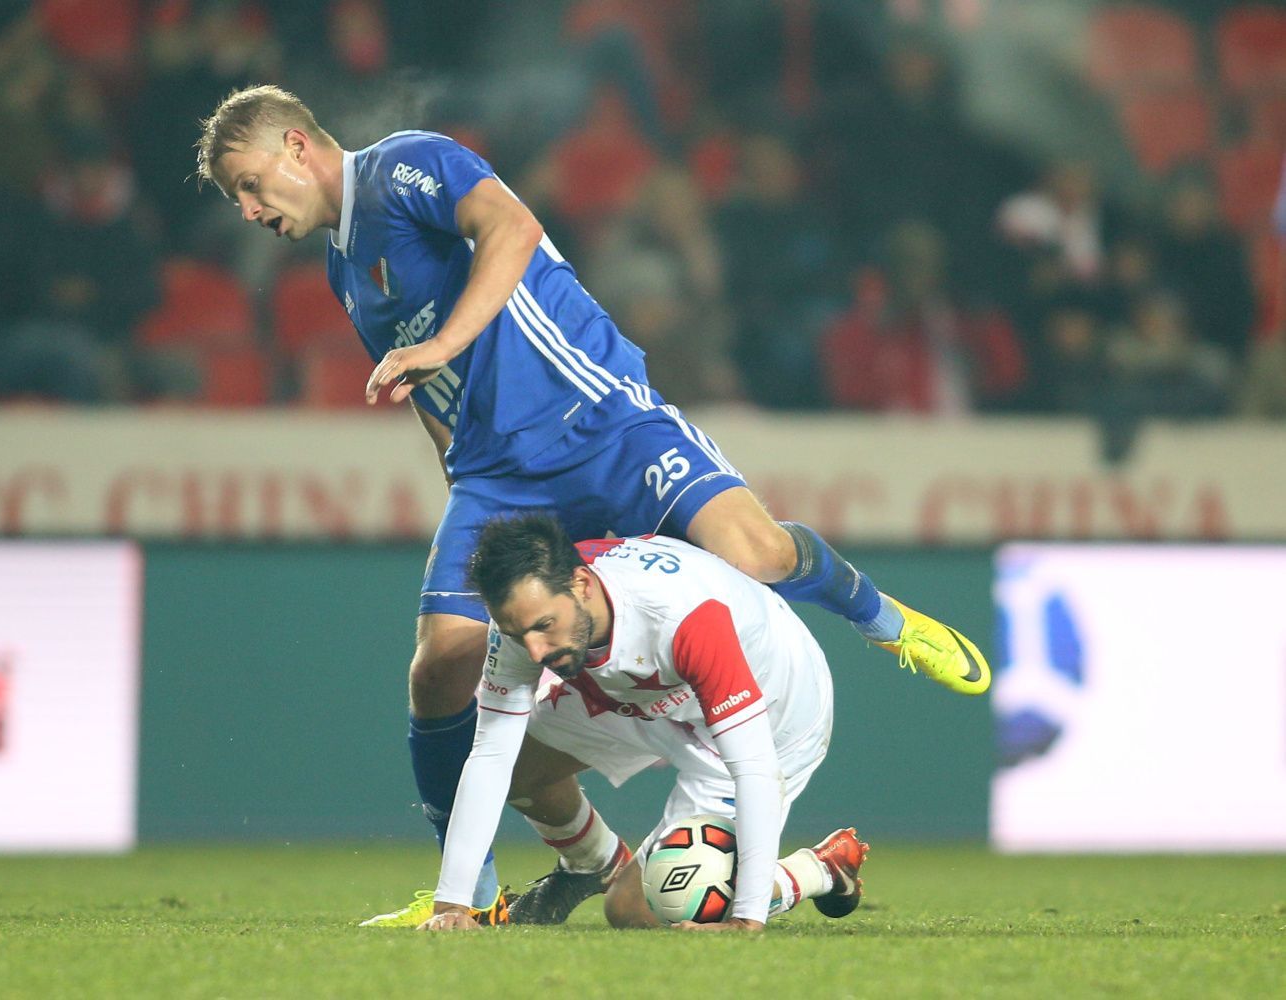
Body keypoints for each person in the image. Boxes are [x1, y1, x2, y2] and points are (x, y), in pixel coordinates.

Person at [194, 85, 984, 926]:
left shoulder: (403, 166)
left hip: (602, 418)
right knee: (442, 664)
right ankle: (484, 889)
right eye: (235, 198)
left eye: (247, 184)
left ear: (294, 146)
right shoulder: (343, 268)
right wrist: (459, 469)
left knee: (751, 555)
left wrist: (444, 341)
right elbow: (425, 384)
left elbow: (512, 229)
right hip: (498, 475)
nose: (246, 210)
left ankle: (882, 617)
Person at [418, 514, 868, 931]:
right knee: (517, 768)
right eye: (519, 634)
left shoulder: (682, 616)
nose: (535, 651)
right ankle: (594, 863)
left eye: (544, 626)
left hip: (770, 715)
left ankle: (815, 870)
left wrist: (747, 920)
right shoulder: (529, 618)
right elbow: (491, 754)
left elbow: (755, 768)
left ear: (581, 584)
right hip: (648, 692)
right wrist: (452, 906)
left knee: (632, 910)